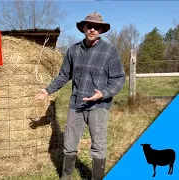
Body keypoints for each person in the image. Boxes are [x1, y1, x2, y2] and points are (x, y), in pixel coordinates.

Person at [35, 12, 126, 180]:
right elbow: (64, 75)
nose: (92, 29)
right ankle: (66, 177)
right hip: (76, 105)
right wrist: (48, 90)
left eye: (96, 27)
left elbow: (119, 78)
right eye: (89, 26)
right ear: (83, 28)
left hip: (99, 106)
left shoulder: (109, 51)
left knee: (98, 145)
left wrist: (104, 94)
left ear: (101, 30)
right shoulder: (73, 50)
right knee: (69, 144)